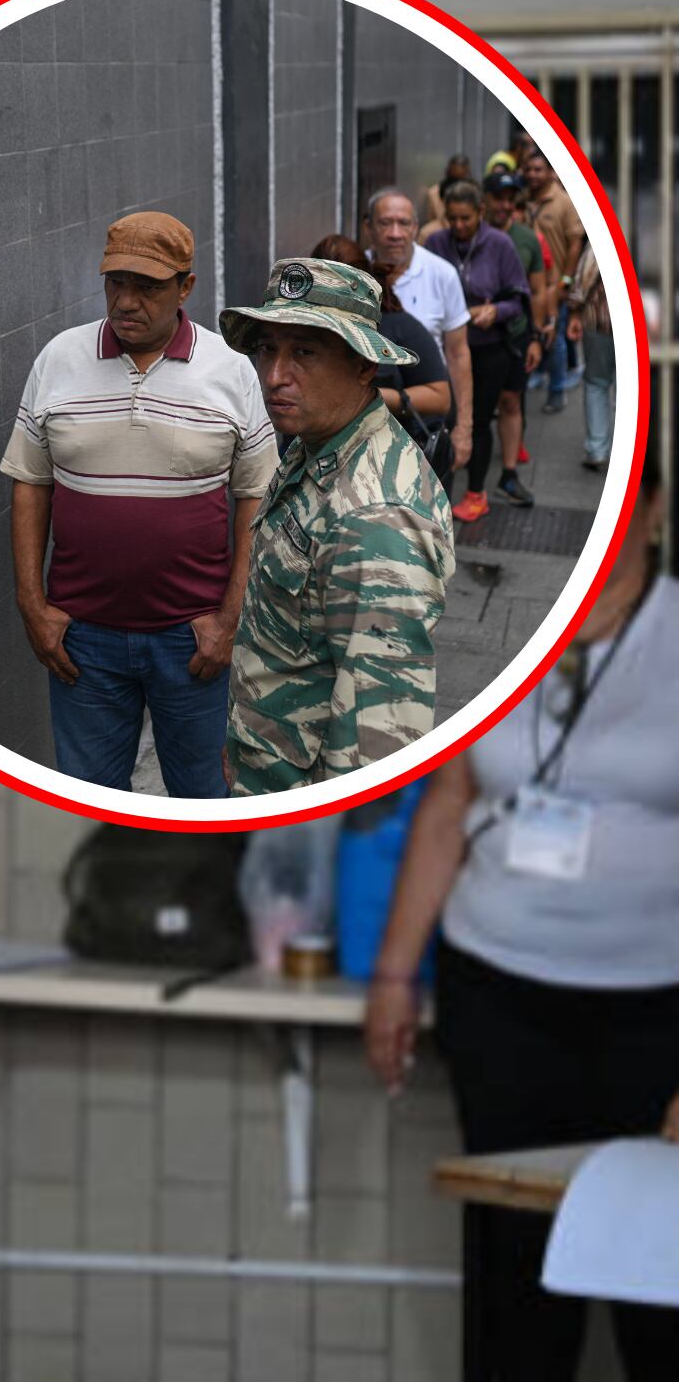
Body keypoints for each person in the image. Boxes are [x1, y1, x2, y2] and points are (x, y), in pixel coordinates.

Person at [364, 449, 679, 1382]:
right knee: (512, 1277)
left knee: (656, 1286)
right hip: (498, 994)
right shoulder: (520, 624)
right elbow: (451, 802)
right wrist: (392, 977)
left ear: (656, 511)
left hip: (654, 1013)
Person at [1, 211, 277, 797]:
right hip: (82, 639)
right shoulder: (58, 359)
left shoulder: (230, 371)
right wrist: (33, 606)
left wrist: (230, 618)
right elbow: (30, 482)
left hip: (191, 639)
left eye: (146, 286)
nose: (125, 301)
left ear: (185, 287)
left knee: (203, 797)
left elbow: (256, 495)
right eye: (115, 282)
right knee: (90, 799)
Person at [217, 258, 456, 795]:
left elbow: (380, 748)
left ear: (365, 365)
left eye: (305, 351)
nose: (275, 376)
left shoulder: (377, 519)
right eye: (267, 350)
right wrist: (246, 742)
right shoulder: (318, 444)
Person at [424, 180, 542, 520]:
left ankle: (476, 493)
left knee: (476, 420)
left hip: (489, 347)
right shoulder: (436, 242)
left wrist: (496, 311)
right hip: (447, 346)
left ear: (480, 213)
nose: (459, 226)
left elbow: (519, 298)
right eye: (453, 219)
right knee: (444, 418)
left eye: (466, 218)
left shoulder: (500, 244)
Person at [366, 187, 475, 470]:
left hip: (428, 420)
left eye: (404, 223)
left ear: (416, 227)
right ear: (368, 227)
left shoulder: (441, 274)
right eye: (385, 223)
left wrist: (464, 428)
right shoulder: (356, 273)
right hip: (366, 428)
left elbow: (458, 354)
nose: (395, 233)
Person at [309, 234, 452, 430]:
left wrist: (371, 397)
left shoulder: (399, 325)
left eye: (345, 291)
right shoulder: (303, 326)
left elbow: (440, 398)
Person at [483, 172, 550, 477]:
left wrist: (536, 336)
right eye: (498, 197)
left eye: (510, 199)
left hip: (516, 333)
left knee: (511, 400)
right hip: (479, 335)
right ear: (484, 199)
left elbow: (537, 290)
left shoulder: (527, 239)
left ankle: (509, 474)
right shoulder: (471, 235)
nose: (505, 205)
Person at [522, 148, 588, 415]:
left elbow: (575, 245)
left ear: (551, 172)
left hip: (554, 284)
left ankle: (557, 390)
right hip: (528, 285)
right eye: (529, 169)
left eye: (539, 170)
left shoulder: (564, 202)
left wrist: (566, 280)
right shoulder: (523, 200)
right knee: (535, 333)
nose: (533, 175)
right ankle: (537, 374)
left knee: (556, 338)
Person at [564, 245, 617, 470]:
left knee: (597, 383)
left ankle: (597, 449)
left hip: (601, 322)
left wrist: (574, 309)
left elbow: (587, 273)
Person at [416, 153, 471, 242]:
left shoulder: (474, 194)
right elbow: (430, 219)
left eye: (461, 181)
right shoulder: (433, 194)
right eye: (453, 180)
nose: (457, 186)